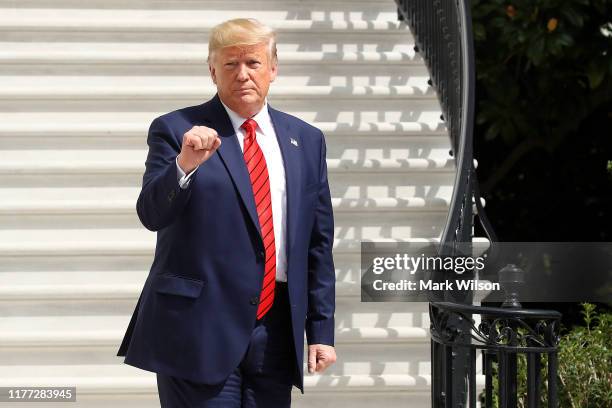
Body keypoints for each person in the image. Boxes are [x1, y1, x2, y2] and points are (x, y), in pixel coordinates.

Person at [116, 18, 337, 407]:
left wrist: (320, 330)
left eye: (252, 63)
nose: (242, 74)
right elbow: (152, 213)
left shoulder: (306, 140)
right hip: (198, 328)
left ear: (273, 69)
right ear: (212, 71)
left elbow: (317, 243)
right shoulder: (176, 129)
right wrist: (184, 165)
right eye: (230, 64)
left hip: (276, 333)